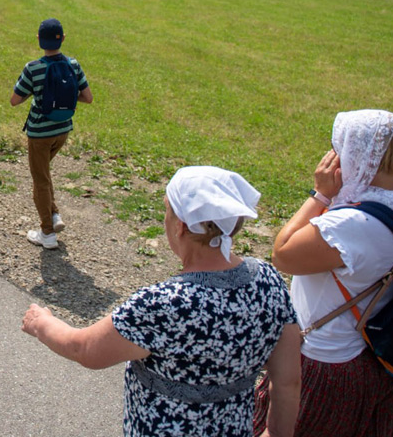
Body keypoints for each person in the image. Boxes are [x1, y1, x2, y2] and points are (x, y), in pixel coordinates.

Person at [21, 166, 301, 437]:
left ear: (180, 226)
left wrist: (42, 324)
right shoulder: (267, 280)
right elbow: (288, 379)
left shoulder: (164, 304)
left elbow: (85, 349)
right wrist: (276, 432)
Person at [256, 110, 393, 437]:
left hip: (327, 362)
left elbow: (282, 253)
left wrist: (321, 194)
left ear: (355, 156)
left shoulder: (349, 226)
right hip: (375, 353)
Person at [10, 18, 92, 249]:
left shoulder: (33, 68)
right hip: (63, 131)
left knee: (40, 180)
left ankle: (47, 234)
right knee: (44, 175)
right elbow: (88, 97)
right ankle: (54, 215)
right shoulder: (73, 65)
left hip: (39, 134)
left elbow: (15, 100)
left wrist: (41, 95)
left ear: (38, 40)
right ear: (63, 38)